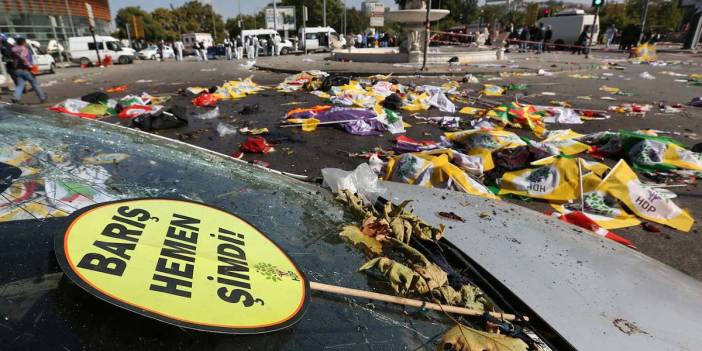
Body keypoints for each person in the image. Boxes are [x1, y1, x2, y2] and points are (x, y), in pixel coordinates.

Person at [10, 37, 46, 103]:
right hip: (25, 69)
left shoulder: (13, 50)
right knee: (34, 83)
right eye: (25, 42)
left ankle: (15, 97)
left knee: (20, 85)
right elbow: (24, 58)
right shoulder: (24, 49)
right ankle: (42, 97)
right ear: (23, 42)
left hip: (17, 70)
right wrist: (30, 66)